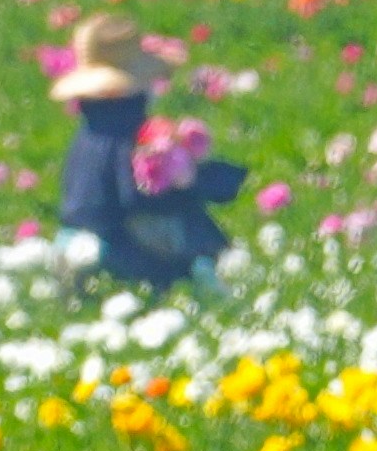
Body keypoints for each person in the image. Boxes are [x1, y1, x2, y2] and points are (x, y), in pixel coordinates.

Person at [49, 17, 243, 293]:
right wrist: (186, 184)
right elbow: (135, 196)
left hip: (71, 232)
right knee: (188, 227)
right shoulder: (128, 136)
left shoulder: (90, 132)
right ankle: (202, 272)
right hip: (117, 244)